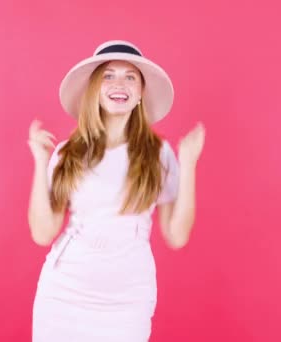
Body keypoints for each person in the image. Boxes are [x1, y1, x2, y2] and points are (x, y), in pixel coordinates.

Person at [26, 40, 205, 341]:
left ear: (139, 95)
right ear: (95, 89)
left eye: (130, 77)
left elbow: (176, 235)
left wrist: (188, 166)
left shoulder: (158, 153)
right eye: (108, 75)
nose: (119, 83)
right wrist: (41, 161)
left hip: (127, 299)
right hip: (64, 294)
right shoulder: (68, 152)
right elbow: (44, 232)